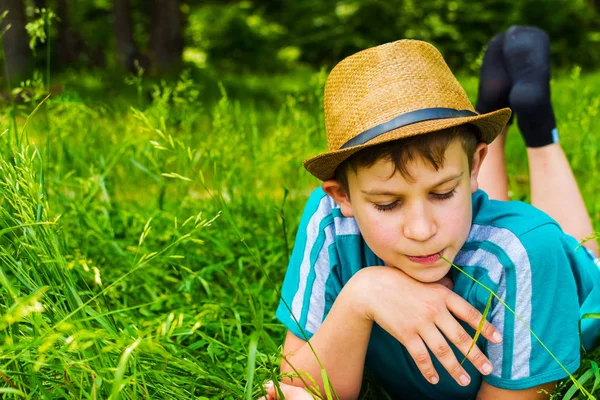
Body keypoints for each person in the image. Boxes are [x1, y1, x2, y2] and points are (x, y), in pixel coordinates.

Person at [267, 26, 600, 400]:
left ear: (476, 166)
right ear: (342, 195)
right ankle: (492, 124)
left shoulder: (526, 252)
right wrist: (362, 295)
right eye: (387, 204)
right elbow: (299, 386)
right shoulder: (330, 218)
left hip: (570, 274)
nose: (422, 230)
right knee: (472, 210)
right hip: (478, 210)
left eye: (442, 193)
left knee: (578, 249)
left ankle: (540, 132)